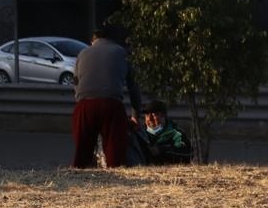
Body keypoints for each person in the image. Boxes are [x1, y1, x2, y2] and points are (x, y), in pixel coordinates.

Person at [71, 25, 142, 168]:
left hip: (84, 105)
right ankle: (115, 177)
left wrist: (80, 101)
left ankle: (80, 175)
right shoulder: (121, 52)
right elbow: (133, 87)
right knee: (115, 153)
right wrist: (136, 115)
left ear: (93, 41)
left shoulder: (83, 53)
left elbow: (75, 82)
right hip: (111, 104)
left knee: (82, 153)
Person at [132, 100, 193, 165]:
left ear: (163, 116)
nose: (150, 119)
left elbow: (187, 154)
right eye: (147, 115)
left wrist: (161, 150)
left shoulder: (176, 134)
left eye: (154, 115)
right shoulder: (140, 134)